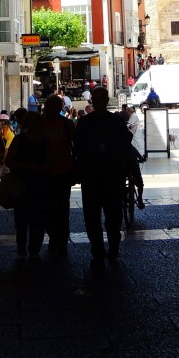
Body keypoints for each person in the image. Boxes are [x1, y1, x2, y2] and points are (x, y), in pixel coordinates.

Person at [73, 85, 133, 265]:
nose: (98, 102)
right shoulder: (115, 121)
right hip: (109, 174)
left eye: (99, 98)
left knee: (96, 215)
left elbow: (77, 146)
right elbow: (127, 140)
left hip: (95, 174)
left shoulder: (86, 122)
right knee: (110, 214)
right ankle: (108, 247)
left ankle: (101, 249)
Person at [4, 111, 48, 259]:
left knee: (35, 219)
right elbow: (9, 161)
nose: (33, 125)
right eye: (31, 121)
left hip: (38, 184)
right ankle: (23, 247)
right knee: (23, 219)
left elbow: (50, 161)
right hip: (22, 185)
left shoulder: (44, 141)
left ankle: (33, 249)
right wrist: (26, 166)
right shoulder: (20, 140)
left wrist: (40, 168)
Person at [40, 94, 78, 255]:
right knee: (56, 207)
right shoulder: (42, 123)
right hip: (50, 172)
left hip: (59, 172)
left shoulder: (65, 123)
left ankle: (59, 238)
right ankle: (57, 237)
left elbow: (75, 144)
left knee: (57, 207)